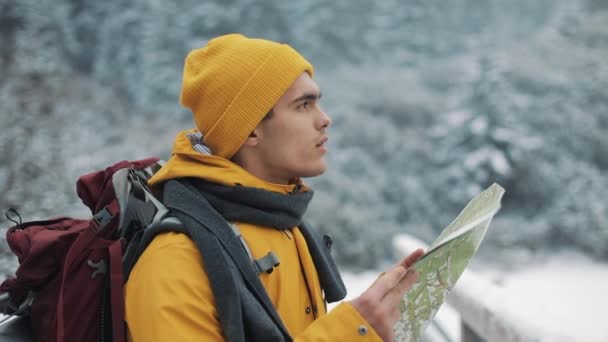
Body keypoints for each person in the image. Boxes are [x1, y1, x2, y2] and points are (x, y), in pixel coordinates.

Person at [124, 33, 423, 342]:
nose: (325, 120)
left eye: (317, 102)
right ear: (250, 129)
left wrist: (377, 311)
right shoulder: (176, 260)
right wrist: (353, 332)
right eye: (303, 105)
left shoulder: (284, 225)